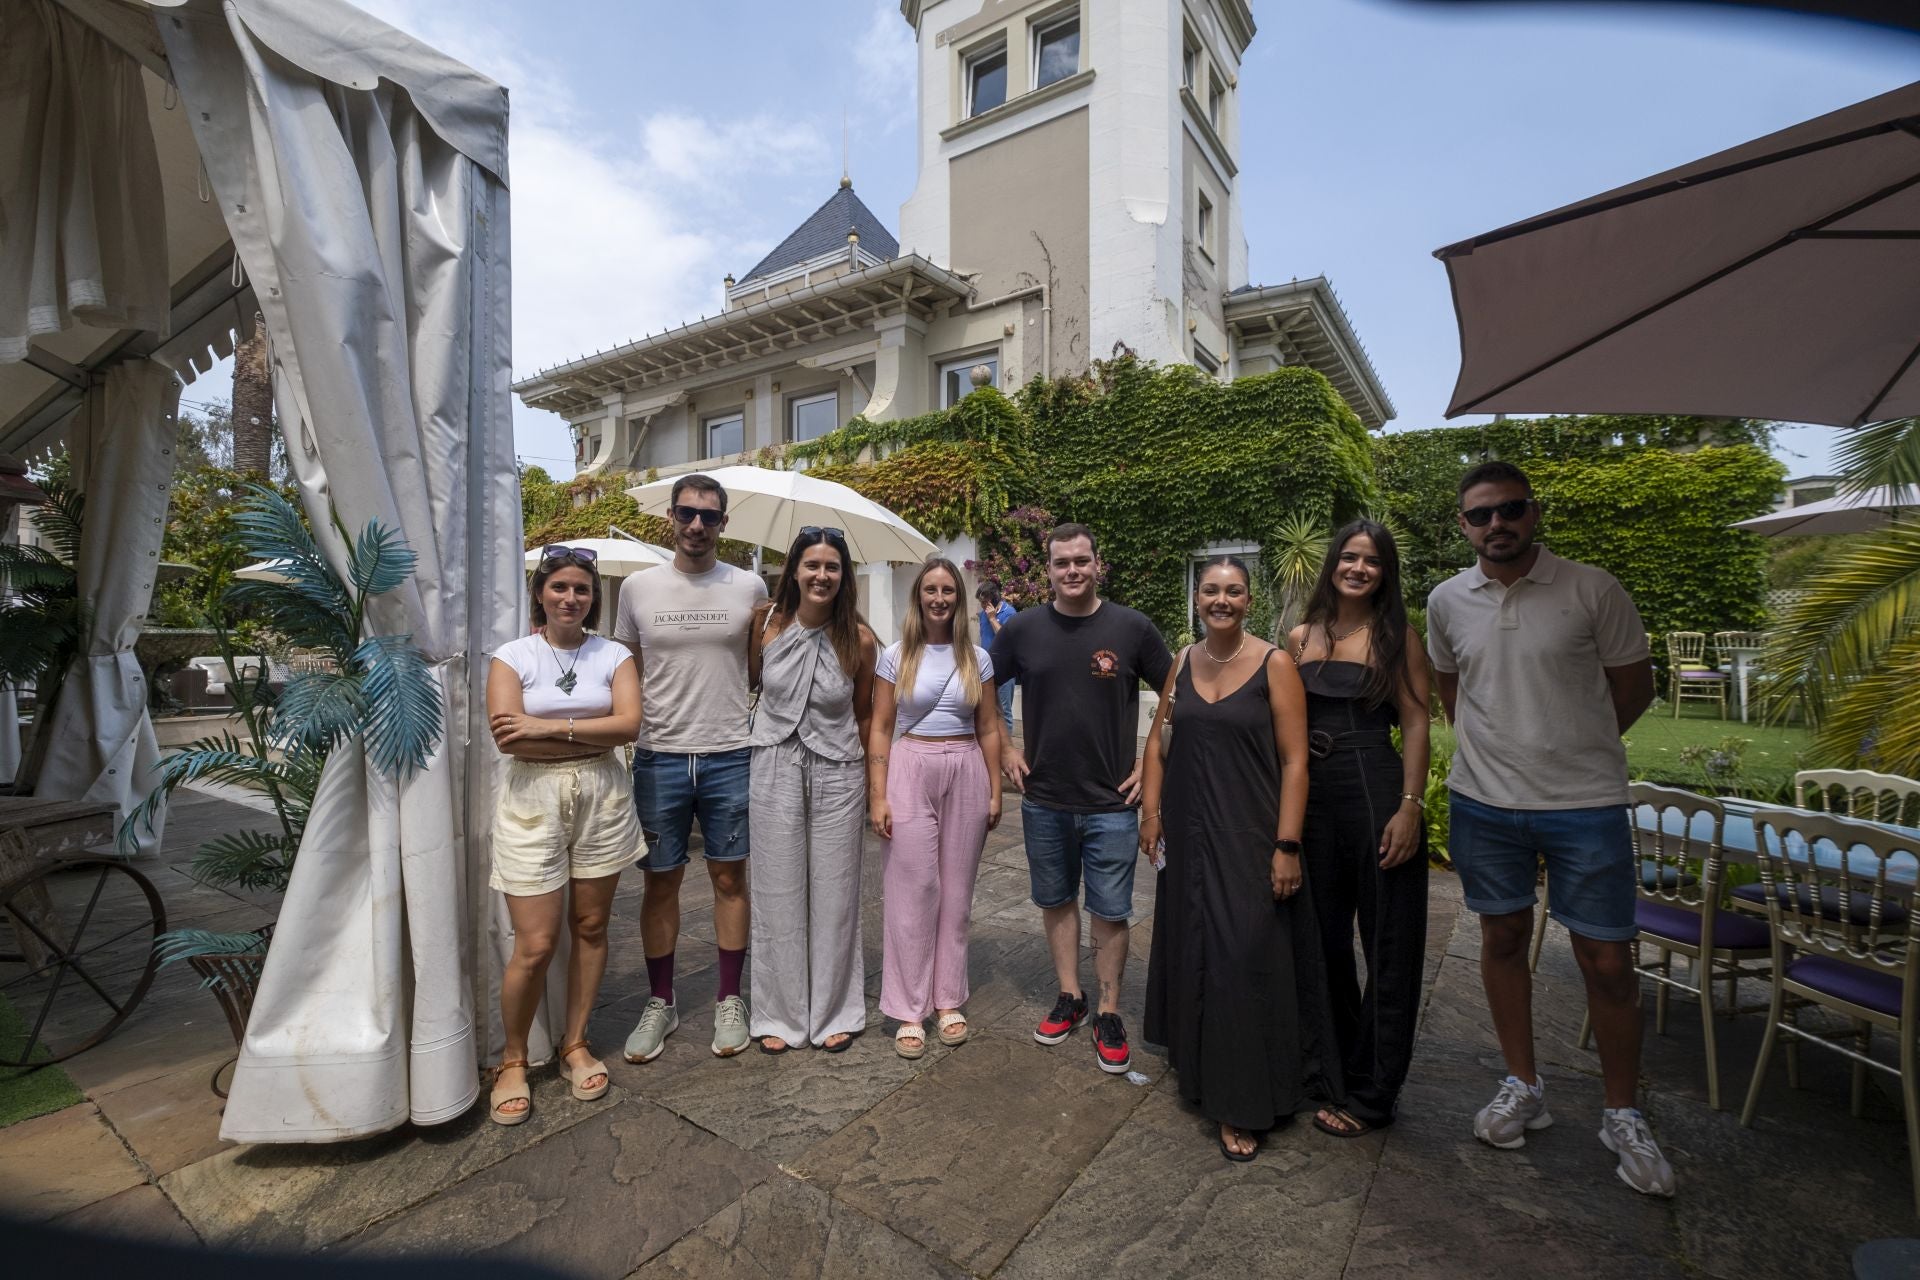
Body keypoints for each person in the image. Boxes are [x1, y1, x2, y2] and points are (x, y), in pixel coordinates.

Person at [1427, 460, 1671, 1197]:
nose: (1496, 524)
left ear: (1533, 513)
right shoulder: (1446, 600)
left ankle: (1622, 1113)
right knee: (1501, 939)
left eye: (1509, 509)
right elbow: (1451, 689)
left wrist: (1574, 745)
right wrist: (1496, 749)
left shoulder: (1592, 588)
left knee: (1607, 959)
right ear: (1463, 526)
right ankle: (1523, 1084)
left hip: (1584, 804)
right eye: (1480, 515)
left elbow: (1634, 686)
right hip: (1484, 803)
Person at [1140, 555, 1340, 1160]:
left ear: (1249, 601)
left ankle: (1242, 1099)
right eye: (1210, 590)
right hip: (1188, 833)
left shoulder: (1275, 664)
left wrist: (1287, 845)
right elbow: (1157, 743)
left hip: (1250, 833)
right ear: (1197, 598)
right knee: (1195, 946)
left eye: (1232, 591)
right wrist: (1150, 814)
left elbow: (1296, 762)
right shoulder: (1182, 660)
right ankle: (1201, 1066)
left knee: (1240, 958)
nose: (1220, 600)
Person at [991, 524, 1172, 1074]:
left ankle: (1109, 1010)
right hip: (1044, 797)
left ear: (1097, 564)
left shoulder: (1132, 628)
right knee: (1056, 900)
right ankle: (1071, 995)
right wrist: (1004, 744)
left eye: (1081, 560)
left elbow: (1175, 693)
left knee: (1111, 910)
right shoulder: (1022, 630)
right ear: (1047, 569)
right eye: (1061, 562)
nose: (1072, 570)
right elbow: (981, 684)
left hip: (1112, 802)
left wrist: (1148, 761)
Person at [613, 474, 767, 1063]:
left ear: (724, 523)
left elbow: (755, 669)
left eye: (708, 516)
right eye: (686, 513)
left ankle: (729, 997)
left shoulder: (749, 586)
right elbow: (627, 668)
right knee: (660, 881)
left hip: (731, 752)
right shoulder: (638, 588)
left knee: (730, 879)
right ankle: (662, 1001)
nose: (696, 525)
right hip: (660, 754)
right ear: (670, 518)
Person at [487, 546, 642, 1125]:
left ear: (594, 598)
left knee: (592, 926)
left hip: (602, 795)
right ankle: (512, 1059)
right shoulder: (513, 656)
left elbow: (629, 725)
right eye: (560, 587)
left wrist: (544, 725)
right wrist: (590, 731)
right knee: (535, 943)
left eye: (582, 589)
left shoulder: (614, 655)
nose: (571, 598)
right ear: (540, 593)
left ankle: (575, 1042)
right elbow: (508, 739)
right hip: (532, 799)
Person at [1288, 521, 1432, 1139]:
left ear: (1384, 572)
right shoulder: (1300, 636)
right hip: (1312, 801)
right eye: (1349, 557)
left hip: (1375, 791)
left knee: (1389, 944)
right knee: (1321, 941)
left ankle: (1376, 1092)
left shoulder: (1399, 638)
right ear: (1332, 563)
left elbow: (1418, 723)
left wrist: (1410, 806)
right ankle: (1335, 1066)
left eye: (1371, 561)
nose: (1358, 568)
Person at [746, 527, 877, 1052]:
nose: (822, 575)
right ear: (795, 571)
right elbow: (753, 684)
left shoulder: (859, 639)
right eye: (813, 565)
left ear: (844, 576)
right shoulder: (765, 624)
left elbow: (864, 714)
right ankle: (779, 1016)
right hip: (773, 762)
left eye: (832, 567)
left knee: (836, 892)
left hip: (839, 771)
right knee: (775, 890)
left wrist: (876, 785)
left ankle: (834, 1010)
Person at [871, 558, 1004, 1058]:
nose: (939, 598)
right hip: (911, 766)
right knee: (914, 888)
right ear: (919, 596)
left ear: (958, 599)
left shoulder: (977, 658)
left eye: (948, 590)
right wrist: (877, 793)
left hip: (966, 766)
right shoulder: (896, 655)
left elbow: (988, 726)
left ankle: (947, 999)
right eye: (931, 589)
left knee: (957, 893)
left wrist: (995, 789)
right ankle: (909, 1008)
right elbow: (880, 727)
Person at [975, 581, 1018, 737]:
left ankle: (1007, 747)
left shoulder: (1010, 613)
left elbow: (1008, 640)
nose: (982, 605)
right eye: (980, 602)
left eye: (984, 602)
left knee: (1004, 711)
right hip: (986, 669)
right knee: (986, 708)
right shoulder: (983, 615)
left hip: (1005, 669)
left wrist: (993, 619)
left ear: (993, 600)